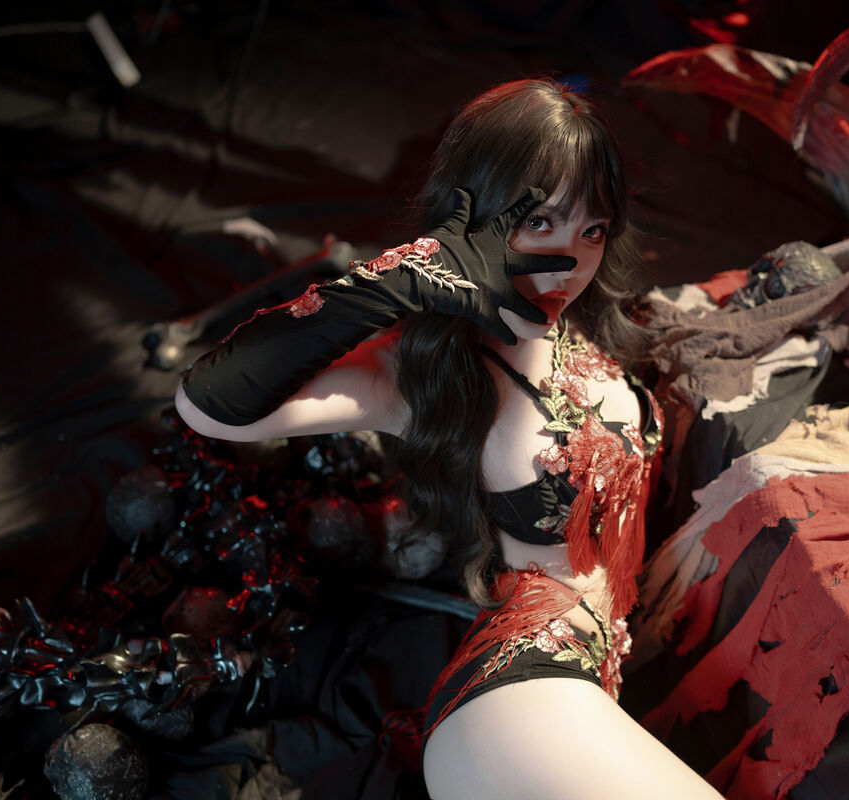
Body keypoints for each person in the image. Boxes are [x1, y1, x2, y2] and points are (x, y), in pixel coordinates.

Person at [175, 78, 721, 800]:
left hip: (592, 685)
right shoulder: (426, 372)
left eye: (592, 230)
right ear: (477, 217)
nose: (570, 260)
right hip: (522, 694)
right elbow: (208, 407)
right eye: (540, 223)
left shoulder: (584, 328)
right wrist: (402, 277)